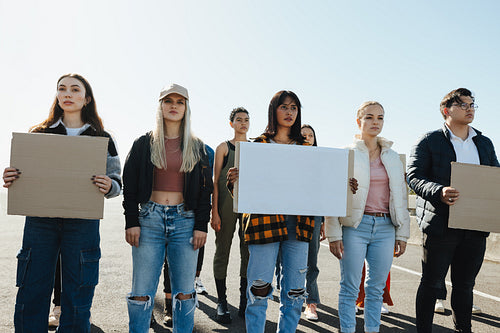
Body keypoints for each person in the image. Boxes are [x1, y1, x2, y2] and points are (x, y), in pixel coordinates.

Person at [227, 91, 357, 333]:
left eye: (294, 108)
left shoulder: (307, 149)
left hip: (299, 228)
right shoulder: (257, 146)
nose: (289, 112)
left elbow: (321, 186)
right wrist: (235, 181)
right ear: (273, 110)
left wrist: (343, 187)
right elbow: (242, 195)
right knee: (259, 289)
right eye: (284, 107)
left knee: (295, 293)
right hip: (263, 227)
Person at [3, 73, 122, 332]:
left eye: (75, 89)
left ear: (86, 98)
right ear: (57, 95)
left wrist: (109, 185)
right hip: (40, 221)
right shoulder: (39, 133)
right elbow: (22, 173)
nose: (67, 94)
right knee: (32, 287)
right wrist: (12, 176)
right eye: (62, 89)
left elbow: (116, 182)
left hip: (82, 223)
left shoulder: (102, 137)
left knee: (79, 290)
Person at [123, 83, 213, 333]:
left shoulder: (197, 147)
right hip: (149, 219)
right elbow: (129, 185)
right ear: (160, 106)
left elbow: (206, 190)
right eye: (168, 101)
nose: (174, 106)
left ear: (186, 108)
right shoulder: (143, 143)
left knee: (184, 292)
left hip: (185, 221)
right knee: (141, 291)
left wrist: (200, 226)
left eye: (180, 102)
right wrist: (132, 221)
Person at [407, 88, 498, 333]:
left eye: (472, 104)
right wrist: (439, 191)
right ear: (447, 110)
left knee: (465, 285)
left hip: (475, 226)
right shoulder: (429, 140)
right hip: (440, 225)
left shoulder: (484, 143)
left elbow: (494, 178)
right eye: (464, 104)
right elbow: (414, 176)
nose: (470, 109)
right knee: (432, 283)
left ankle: (463, 329)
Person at [327, 101, 410, 333]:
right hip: (355, 226)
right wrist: (333, 233)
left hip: (386, 227)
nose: (375, 122)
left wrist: (402, 233)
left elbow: (401, 197)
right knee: (350, 288)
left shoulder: (393, 157)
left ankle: (372, 330)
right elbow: (334, 195)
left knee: (376, 289)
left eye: (380, 118)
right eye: (370, 117)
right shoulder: (346, 154)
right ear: (359, 121)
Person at [162, 144, 213, 327]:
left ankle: (178, 307)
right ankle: (165, 307)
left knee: (183, 266)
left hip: (189, 214)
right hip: (159, 212)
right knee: (160, 265)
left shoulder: (204, 151)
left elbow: (207, 187)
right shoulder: (157, 146)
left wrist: (202, 222)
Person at [211, 107, 250, 323]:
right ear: (231, 123)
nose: (243, 123)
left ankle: (245, 301)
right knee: (222, 250)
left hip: (248, 207)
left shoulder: (255, 148)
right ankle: (222, 301)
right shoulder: (224, 147)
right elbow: (216, 181)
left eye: (246, 120)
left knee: (248, 253)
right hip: (226, 205)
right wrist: (214, 211)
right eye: (238, 120)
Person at [300, 124, 326, 321]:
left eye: (311, 135)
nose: (308, 138)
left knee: (311, 261)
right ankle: (292, 296)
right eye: (304, 135)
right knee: (286, 260)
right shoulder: (288, 157)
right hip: (290, 214)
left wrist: (323, 220)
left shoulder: (320, 161)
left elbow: (323, 192)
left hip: (314, 215)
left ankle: (311, 303)